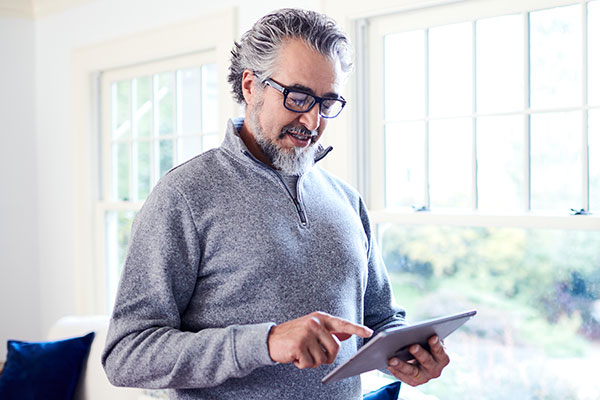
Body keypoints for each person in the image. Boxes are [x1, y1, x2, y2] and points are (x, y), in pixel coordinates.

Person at [102, 8, 449, 400]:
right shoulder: (184, 196)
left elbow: (380, 318)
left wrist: (407, 353)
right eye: (298, 97)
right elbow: (126, 354)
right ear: (251, 86)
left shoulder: (346, 200)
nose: (313, 120)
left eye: (327, 102)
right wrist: (264, 342)